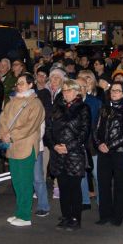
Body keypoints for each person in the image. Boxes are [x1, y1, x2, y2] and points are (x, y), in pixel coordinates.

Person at [0, 73, 45, 227]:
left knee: (25, 182)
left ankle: (25, 216)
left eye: (22, 83)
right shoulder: (12, 101)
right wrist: (3, 135)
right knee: (17, 181)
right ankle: (19, 212)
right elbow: (3, 119)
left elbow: (30, 126)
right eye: (18, 83)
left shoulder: (35, 103)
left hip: (26, 146)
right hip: (12, 147)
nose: (19, 85)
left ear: (31, 84)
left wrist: (10, 135)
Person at [45, 78, 91, 231]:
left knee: (74, 188)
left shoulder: (83, 108)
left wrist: (68, 146)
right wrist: (54, 146)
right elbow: (49, 130)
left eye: (69, 90)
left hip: (74, 154)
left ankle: (75, 219)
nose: (66, 93)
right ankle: (65, 217)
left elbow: (84, 133)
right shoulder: (56, 108)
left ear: (77, 91)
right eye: (64, 90)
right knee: (63, 188)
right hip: (58, 154)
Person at [93, 80, 123, 225]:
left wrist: (110, 145)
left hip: (120, 152)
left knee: (120, 184)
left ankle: (118, 216)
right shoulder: (104, 108)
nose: (114, 93)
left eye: (117, 91)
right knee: (103, 184)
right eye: (112, 91)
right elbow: (96, 129)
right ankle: (104, 214)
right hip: (103, 152)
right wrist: (99, 143)